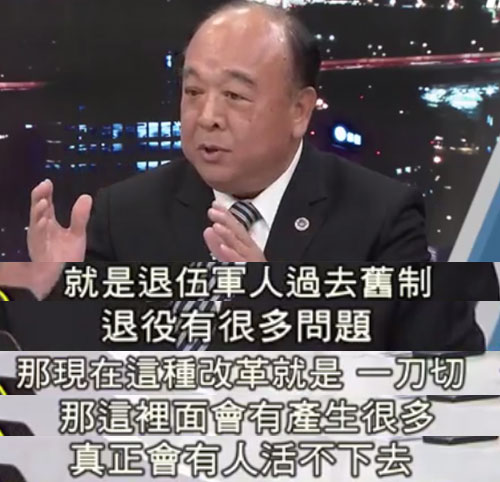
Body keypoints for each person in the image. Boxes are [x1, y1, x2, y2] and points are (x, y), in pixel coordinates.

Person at [27, 0, 430, 265]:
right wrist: (59, 296)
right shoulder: (124, 215)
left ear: (299, 111)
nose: (207, 117)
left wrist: (276, 315)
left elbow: (434, 360)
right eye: (193, 92)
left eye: (235, 95)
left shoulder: (381, 219)